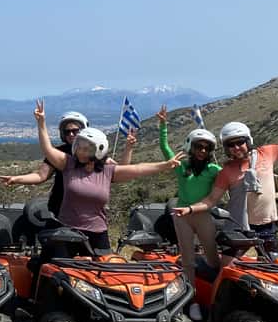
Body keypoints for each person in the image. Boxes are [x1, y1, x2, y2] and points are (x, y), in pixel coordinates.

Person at [36, 100, 183, 254]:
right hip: (67, 232)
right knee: (56, 266)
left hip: (98, 233)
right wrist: (41, 123)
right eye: (79, 146)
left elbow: (137, 169)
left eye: (86, 148)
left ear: (98, 150)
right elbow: (47, 149)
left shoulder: (108, 171)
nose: (81, 151)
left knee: (105, 267)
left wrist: (165, 165)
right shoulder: (68, 164)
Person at [176, 92, 278, 254]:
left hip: (268, 227)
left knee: (272, 266)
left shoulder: (266, 153)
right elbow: (211, 200)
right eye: (231, 145)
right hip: (239, 227)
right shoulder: (226, 172)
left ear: (248, 141)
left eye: (240, 142)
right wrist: (189, 209)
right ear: (226, 148)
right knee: (226, 265)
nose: (236, 147)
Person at [0, 111, 136, 214]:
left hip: (89, 212)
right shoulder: (59, 153)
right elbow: (41, 176)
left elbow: (121, 171)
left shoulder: (96, 154)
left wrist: (128, 148)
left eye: (75, 131)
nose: (71, 134)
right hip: (60, 208)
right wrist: (16, 179)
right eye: (67, 131)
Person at [156, 104, 221, 291]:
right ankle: (191, 295)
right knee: (187, 257)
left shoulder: (214, 170)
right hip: (181, 215)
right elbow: (165, 148)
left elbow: (229, 179)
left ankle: (216, 289)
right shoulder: (182, 166)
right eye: (199, 146)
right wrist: (163, 125)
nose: (202, 151)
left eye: (207, 148)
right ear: (191, 147)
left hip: (202, 214)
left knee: (212, 254)